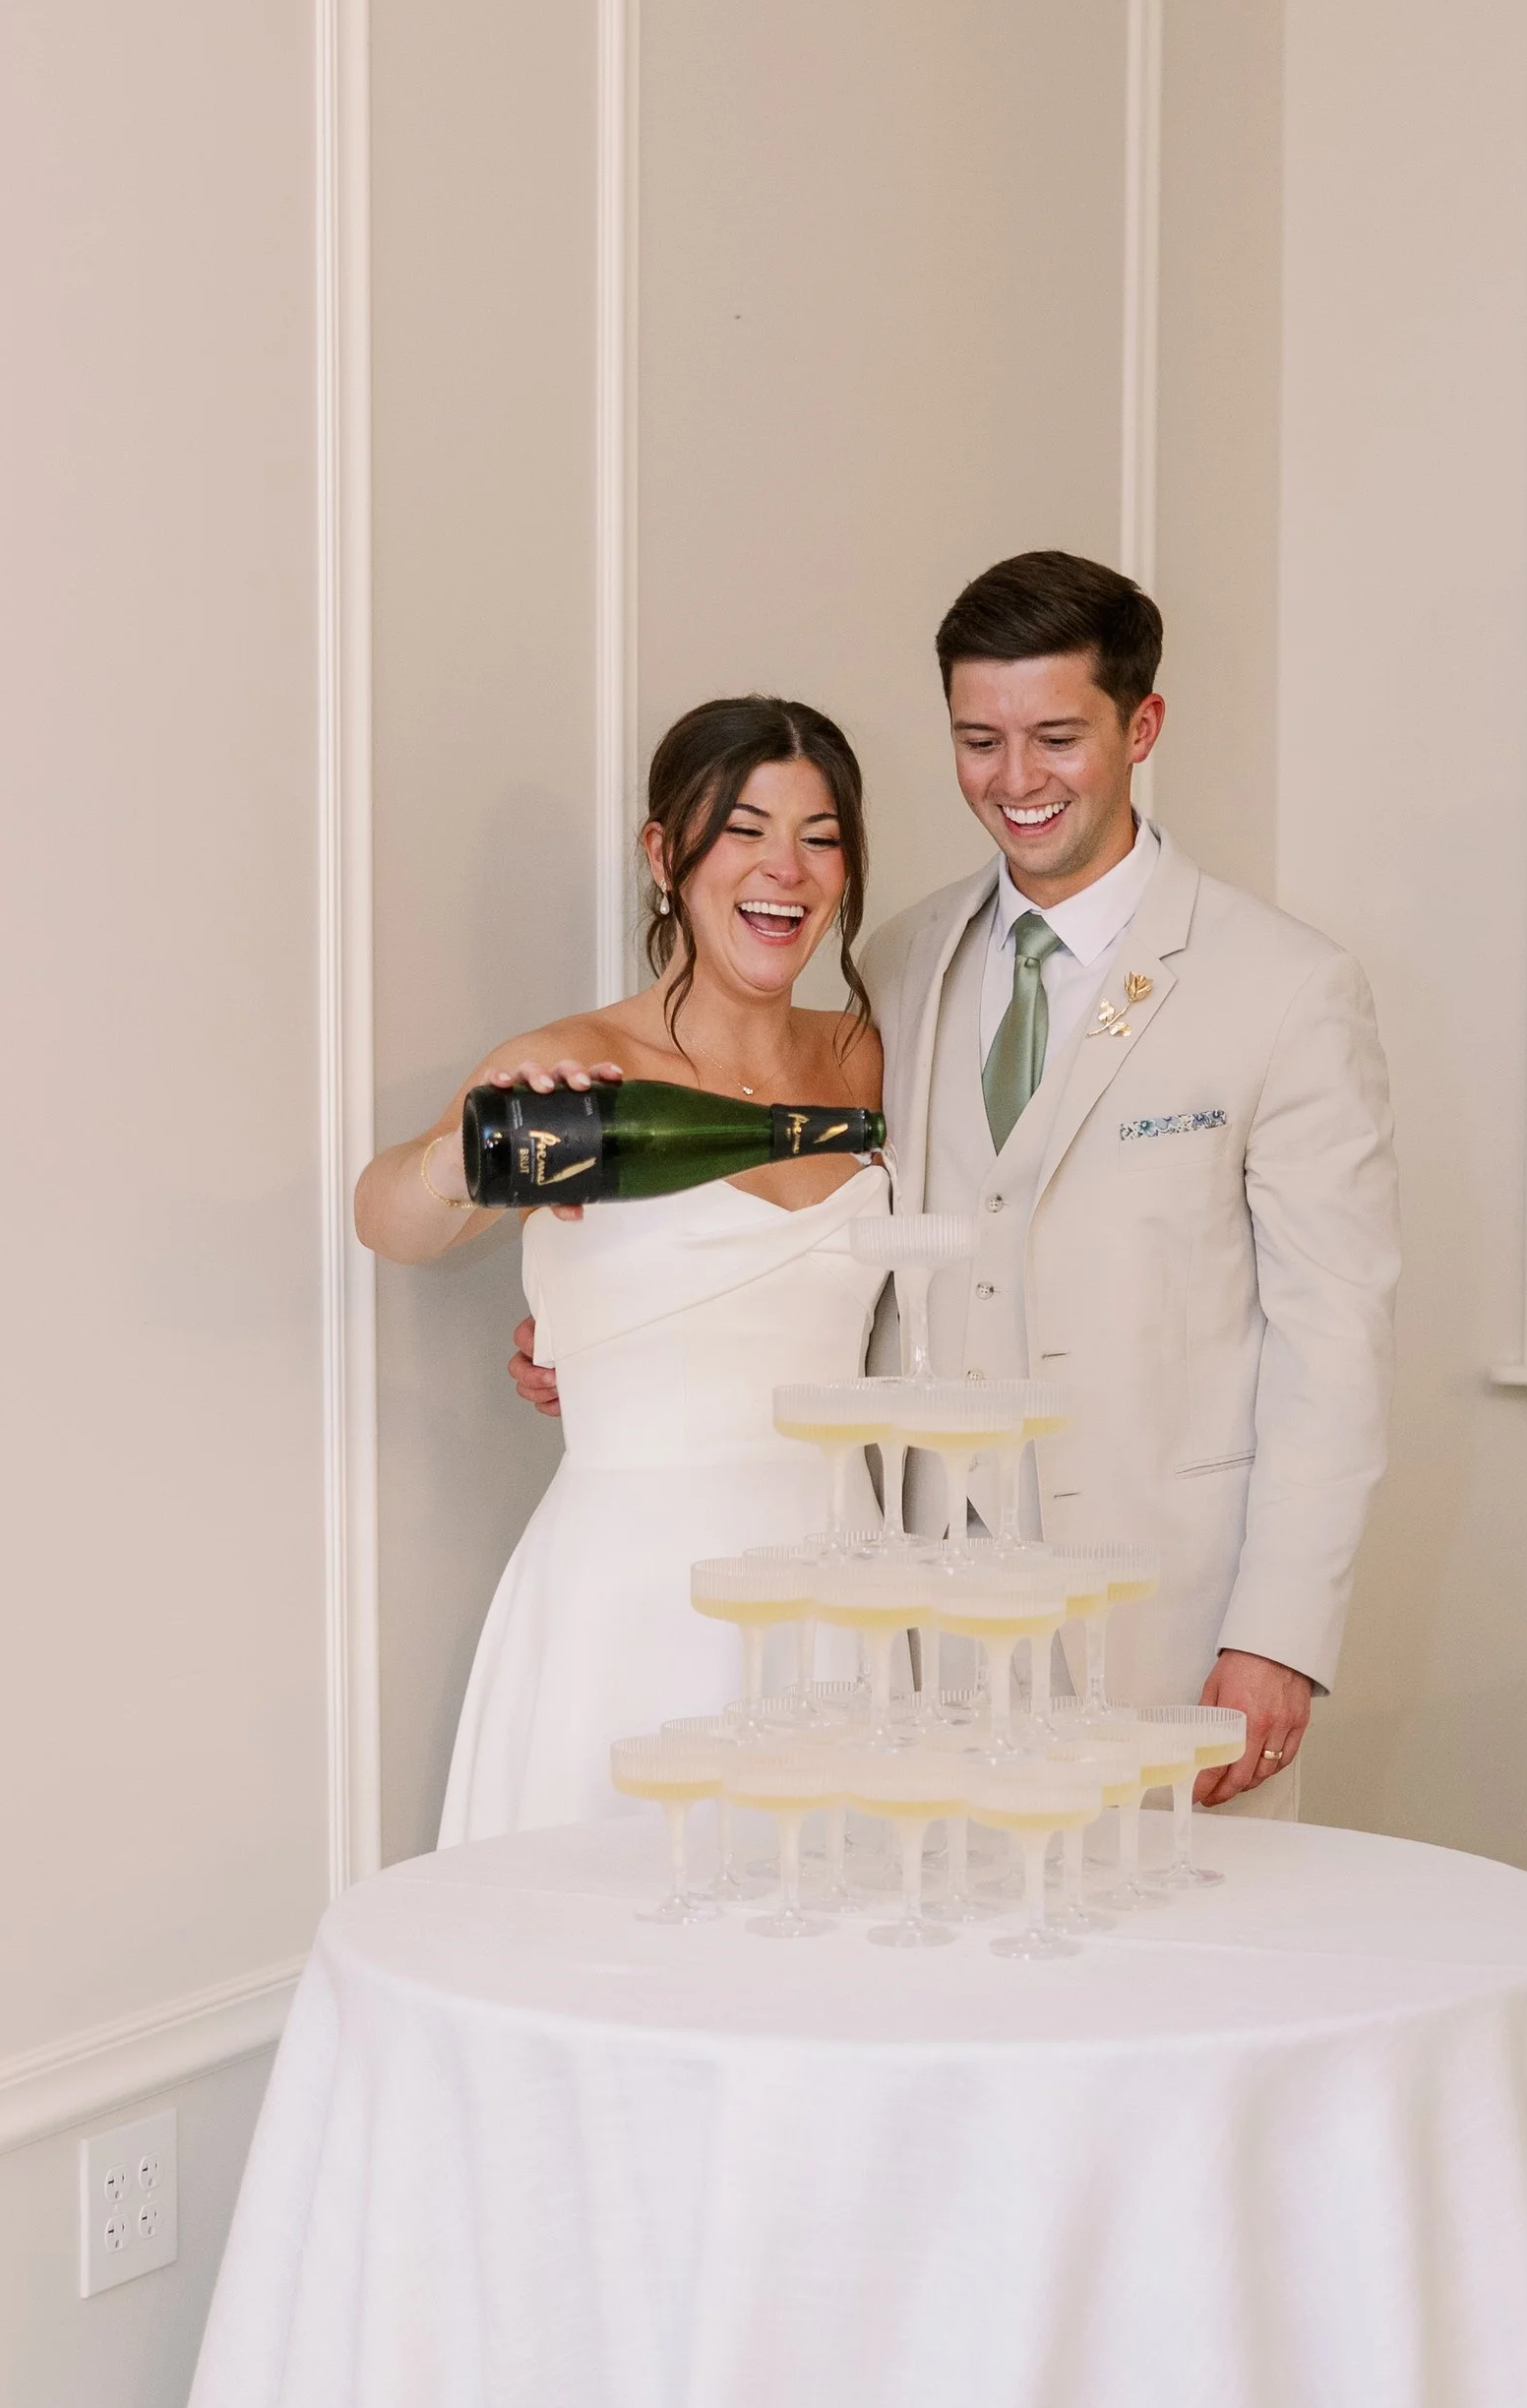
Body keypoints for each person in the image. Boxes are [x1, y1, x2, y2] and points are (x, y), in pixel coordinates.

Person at [516, 556, 1399, 1812]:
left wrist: (1280, 1635)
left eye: (1055, 736)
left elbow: (1337, 1341)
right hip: (903, 1616)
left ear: (1141, 727)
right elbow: (834, 1241)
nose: (1016, 779)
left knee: (1163, 1965)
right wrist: (613, 1330)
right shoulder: (897, 961)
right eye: (978, 739)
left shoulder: (1285, 987)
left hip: (1160, 1613)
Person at [358, 694, 889, 1841]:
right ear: (666, 855)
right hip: (638, 1587)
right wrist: (465, 1160)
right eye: (743, 830)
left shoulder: (867, 1056)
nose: (783, 870)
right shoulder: (576, 1066)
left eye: (820, 835)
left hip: (840, 1573)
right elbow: (388, 1220)